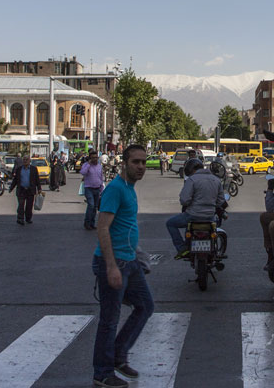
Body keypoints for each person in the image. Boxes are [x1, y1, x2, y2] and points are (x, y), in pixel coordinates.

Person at [93, 145, 153, 388]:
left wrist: (138, 256)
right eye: (136, 162)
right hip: (114, 262)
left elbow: (126, 227)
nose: (140, 167)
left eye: (143, 163)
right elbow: (103, 227)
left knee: (145, 306)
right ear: (124, 163)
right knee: (109, 319)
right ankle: (102, 372)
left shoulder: (130, 189)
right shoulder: (116, 189)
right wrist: (111, 267)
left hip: (130, 262)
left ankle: (118, 354)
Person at [167, 158, 225, 259]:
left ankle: (182, 248)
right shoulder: (216, 180)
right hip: (210, 217)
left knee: (170, 223)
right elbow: (221, 201)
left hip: (192, 216)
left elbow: (184, 200)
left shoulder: (192, 180)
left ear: (192, 169)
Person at [9, 156, 42, 225]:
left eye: (27, 160)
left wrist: (39, 188)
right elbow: (15, 180)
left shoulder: (34, 169)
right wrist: (11, 188)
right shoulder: (19, 169)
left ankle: (28, 218)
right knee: (21, 205)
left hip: (30, 190)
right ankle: (20, 218)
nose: (25, 161)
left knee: (29, 206)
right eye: (24, 160)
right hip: (21, 190)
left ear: (29, 161)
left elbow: (37, 180)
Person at [81, 151, 104, 230]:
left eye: (96, 157)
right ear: (90, 158)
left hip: (97, 188)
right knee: (90, 205)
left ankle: (92, 223)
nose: (95, 159)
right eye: (93, 158)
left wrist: (101, 187)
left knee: (95, 207)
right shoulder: (86, 165)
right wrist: (88, 164)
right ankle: (87, 223)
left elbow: (101, 176)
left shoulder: (99, 166)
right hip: (89, 188)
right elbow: (83, 172)